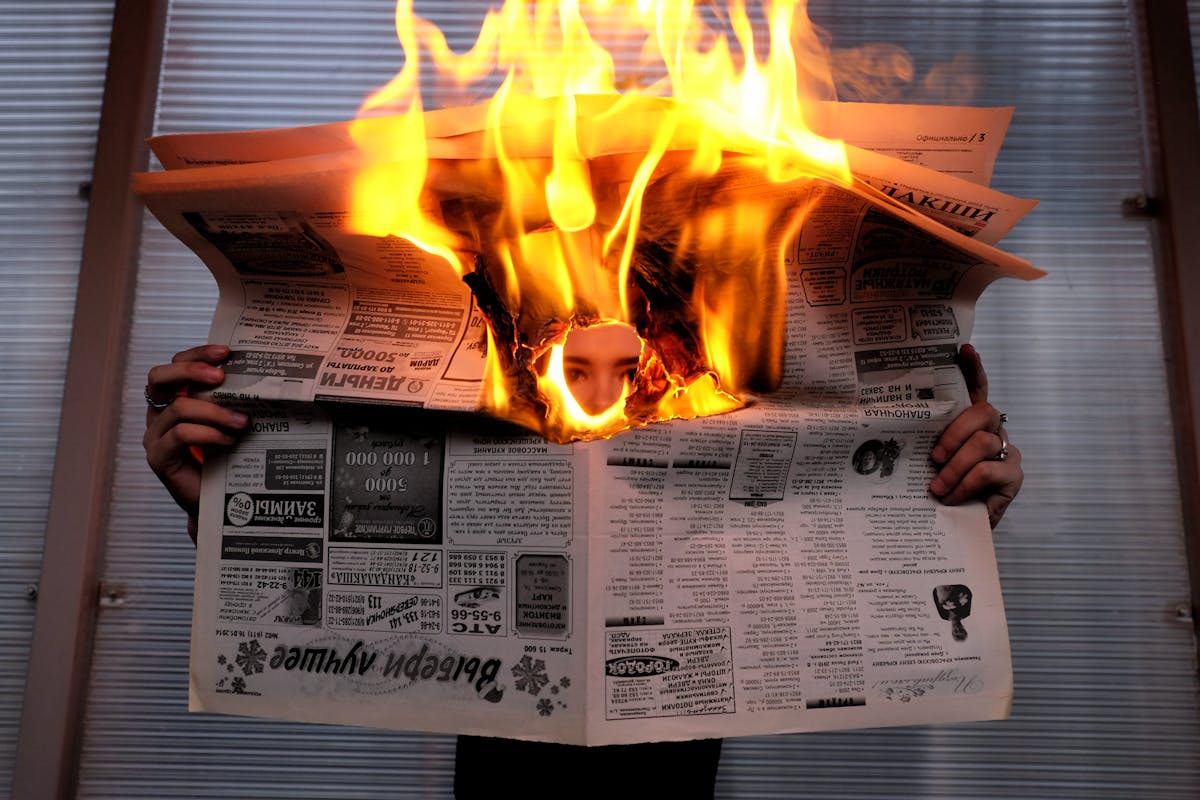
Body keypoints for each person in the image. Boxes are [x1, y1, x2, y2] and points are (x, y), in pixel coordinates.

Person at [144, 341, 1022, 797]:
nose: (601, 405)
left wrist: (944, 511)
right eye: (569, 372)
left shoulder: (714, 512)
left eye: (635, 376)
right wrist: (218, 505)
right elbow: (339, 604)